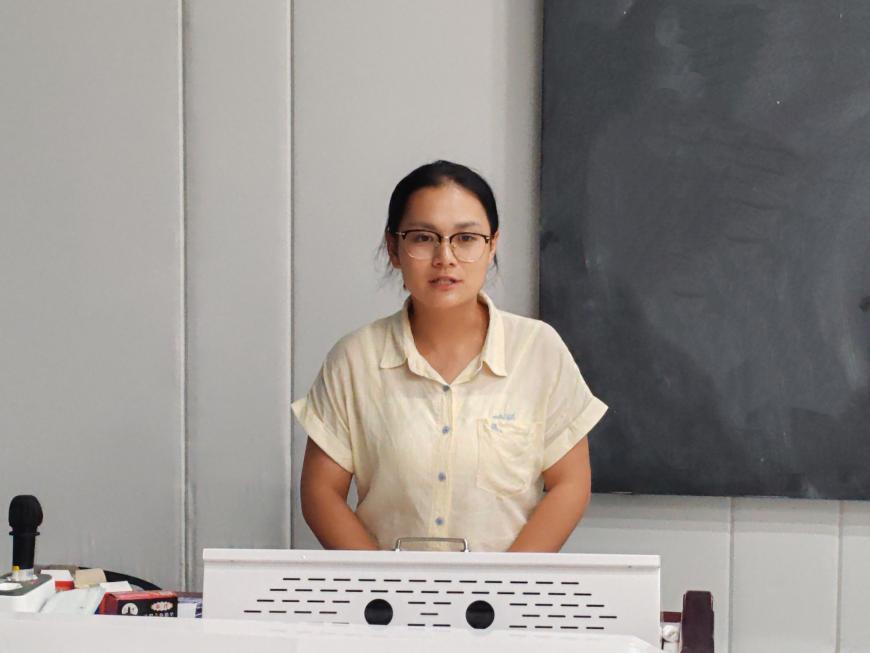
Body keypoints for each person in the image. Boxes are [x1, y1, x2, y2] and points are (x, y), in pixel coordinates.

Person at [292, 160, 607, 552]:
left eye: (466, 238)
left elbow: (570, 483)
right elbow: (320, 492)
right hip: (385, 589)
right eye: (423, 238)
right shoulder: (355, 359)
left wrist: (505, 581)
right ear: (394, 248)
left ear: (492, 245)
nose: (445, 257)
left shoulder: (538, 350)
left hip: (506, 589)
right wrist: (385, 580)